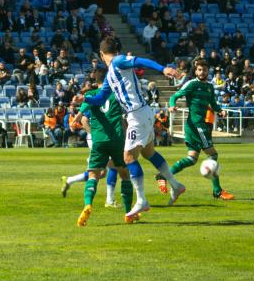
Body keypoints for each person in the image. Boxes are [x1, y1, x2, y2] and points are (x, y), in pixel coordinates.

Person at [77, 36, 185, 218]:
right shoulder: (111, 74)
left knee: (128, 157)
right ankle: (175, 184)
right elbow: (100, 98)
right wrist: (85, 98)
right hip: (142, 113)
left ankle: (142, 200)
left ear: (102, 54)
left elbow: (139, 60)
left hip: (137, 115)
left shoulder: (118, 61)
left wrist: (162, 69)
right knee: (148, 152)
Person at [70, 68, 136, 226]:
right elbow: (125, 117)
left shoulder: (91, 95)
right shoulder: (117, 95)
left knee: (93, 175)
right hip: (117, 139)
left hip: (98, 140)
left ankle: (88, 204)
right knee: (125, 175)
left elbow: (81, 117)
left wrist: (75, 121)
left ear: (95, 79)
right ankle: (128, 213)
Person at [161, 59, 234, 200]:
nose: (202, 72)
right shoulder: (192, 84)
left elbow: (213, 103)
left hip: (199, 126)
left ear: (208, 71)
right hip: (196, 125)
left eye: (204, 70)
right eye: (199, 70)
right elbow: (175, 96)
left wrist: (220, 111)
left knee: (192, 159)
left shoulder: (210, 87)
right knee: (212, 155)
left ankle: (163, 175)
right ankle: (217, 191)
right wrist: (171, 106)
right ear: (196, 71)